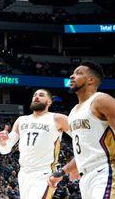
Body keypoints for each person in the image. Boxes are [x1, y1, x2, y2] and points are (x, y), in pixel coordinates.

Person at [48, 62, 115, 198]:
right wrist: (62, 172)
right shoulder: (73, 112)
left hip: (106, 170)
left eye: (78, 73)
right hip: (86, 178)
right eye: (73, 73)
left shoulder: (101, 100)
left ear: (91, 80)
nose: (72, 76)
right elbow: (83, 153)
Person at [0, 89, 69, 199]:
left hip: (45, 173)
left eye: (41, 95)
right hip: (24, 173)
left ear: (49, 102)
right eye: (35, 95)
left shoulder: (58, 118)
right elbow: (5, 150)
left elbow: (80, 137)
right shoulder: (21, 120)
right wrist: (3, 141)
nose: (36, 97)